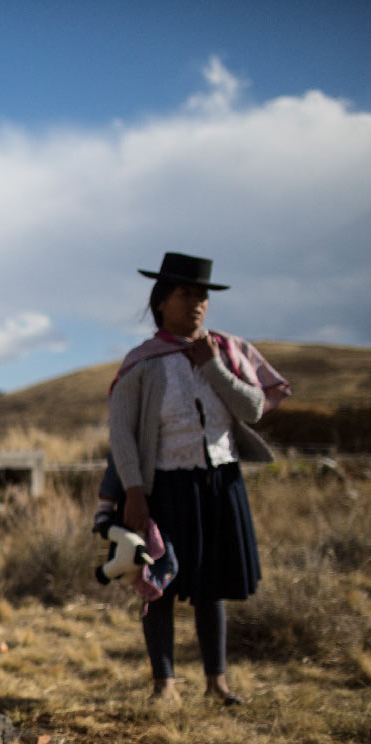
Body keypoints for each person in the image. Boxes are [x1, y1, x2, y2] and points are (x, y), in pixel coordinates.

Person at [107, 252, 290, 704]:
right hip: (165, 487)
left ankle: (217, 682)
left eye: (202, 296)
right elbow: (122, 434)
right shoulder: (143, 363)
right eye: (186, 294)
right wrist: (134, 493)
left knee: (213, 585)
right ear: (162, 301)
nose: (197, 304)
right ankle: (164, 685)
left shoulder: (228, 352)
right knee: (160, 586)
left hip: (220, 482)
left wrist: (211, 364)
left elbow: (252, 409)